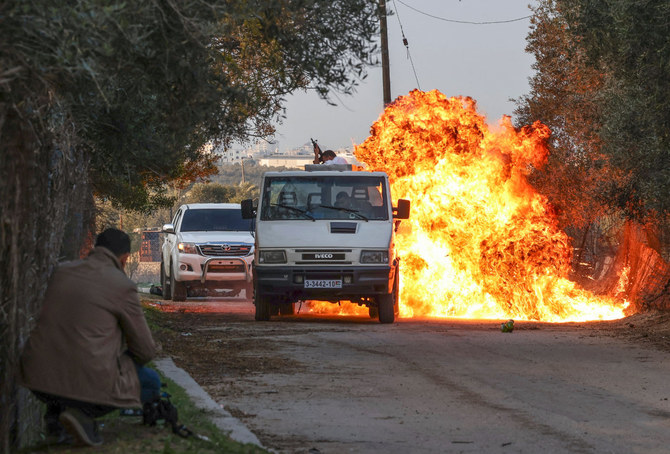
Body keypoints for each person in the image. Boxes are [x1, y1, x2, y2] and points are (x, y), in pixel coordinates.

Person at [19, 228, 160, 446]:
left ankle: (57, 417)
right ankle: (83, 414)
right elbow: (145, 351)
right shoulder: (122, 286)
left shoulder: (61, 271)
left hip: (37, 376)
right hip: (88, 380)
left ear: (96, 248)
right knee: (151, 382)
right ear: (124, 259)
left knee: (66, 357)